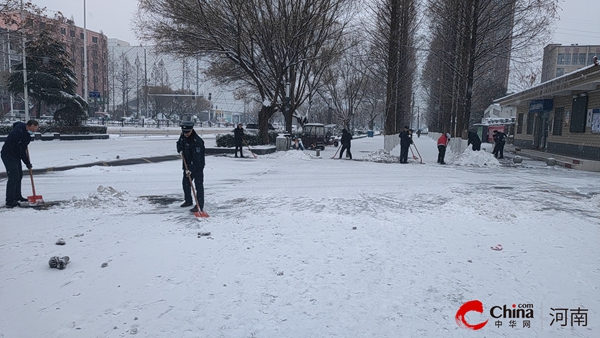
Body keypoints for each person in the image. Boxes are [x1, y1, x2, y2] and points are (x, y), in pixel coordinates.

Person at [1, 120, 39, 208]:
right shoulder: (21, 135)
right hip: (8, 155)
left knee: (19, 175)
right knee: (13, 177)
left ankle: (17, 196)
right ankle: (10, 200)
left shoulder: (21, 126)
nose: (33, 132)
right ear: (28, 126)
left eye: (35, 130)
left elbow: (16, 123)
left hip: (15, 154)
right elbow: (21, 152)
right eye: (32, 130)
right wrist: (28, 163)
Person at [176, 122, 206, 213]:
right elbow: (179, 143)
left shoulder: (197, 141)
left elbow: (198, 158)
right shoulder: (183, 136)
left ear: (192, 130)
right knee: (185, 183)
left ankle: (199, 205)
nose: (186, 134)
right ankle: (188, 200)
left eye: (187, 132)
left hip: (197, 167)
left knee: (198, 185)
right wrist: (180, 150)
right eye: (184, 132)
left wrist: (190, 169)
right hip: (187, 165)